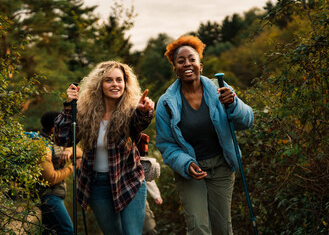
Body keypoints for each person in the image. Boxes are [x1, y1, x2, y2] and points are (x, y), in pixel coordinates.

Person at [155, 35, 254, 235]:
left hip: (221, 167)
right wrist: (185, 163)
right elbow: (166, 144)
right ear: (175, 68)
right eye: (180, 61)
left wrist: (233, 104)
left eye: (192, 59)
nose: (187, 64)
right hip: (190, 171)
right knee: (198, 227)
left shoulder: (221, 90)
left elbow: (247, 121)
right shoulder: (166, 103)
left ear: (200, 64)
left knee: (222, 228)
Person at [54, 61, 155, 235]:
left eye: (119, 80)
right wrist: (68, 107)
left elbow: (139, 123)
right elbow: (63, 139)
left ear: (125, 83)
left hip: (129, 180)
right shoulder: (86, 113)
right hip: (97, 185)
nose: (115, 84)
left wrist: (145, 111)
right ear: (99, 84)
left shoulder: (131, 111)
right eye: (109, 80)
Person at [35, 111, 82, 235]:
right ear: (53, 128)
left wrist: (68, 151)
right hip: (48, 196)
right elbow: (51, 178)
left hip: (56, 195)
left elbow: (80, 152)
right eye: (61, 125)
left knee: (49, 231)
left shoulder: (57, 141)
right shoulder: (42, 146)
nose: (64, 128)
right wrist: (72, 167)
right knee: (66, 230)